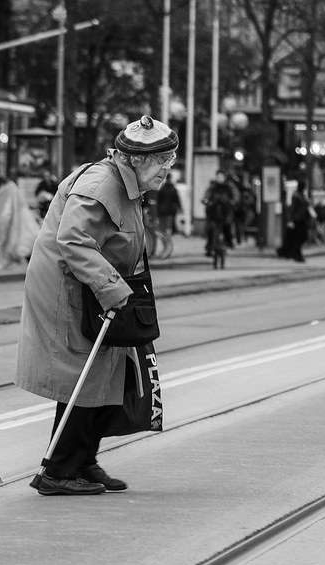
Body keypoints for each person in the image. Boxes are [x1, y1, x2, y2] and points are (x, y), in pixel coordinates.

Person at [16, 114, 178, 496]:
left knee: (108, 374)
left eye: (170, 162)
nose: (167, 171)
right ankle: (59, 470)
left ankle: (83, 461)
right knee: (84, 378)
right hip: (72, 292)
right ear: (137, 160)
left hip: (93, 289)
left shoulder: (125, 183)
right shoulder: (102, 185)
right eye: (162, 163)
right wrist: (112, 287)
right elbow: (73, 239)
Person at [203, 170, 235, 255]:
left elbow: (235, 195)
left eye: (221, 177)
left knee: (227, 226)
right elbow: (207, 194)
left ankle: (228, 242)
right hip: (214, 212)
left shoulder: (229, 186)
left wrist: (233, 201)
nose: (219, 179)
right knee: (211, 229)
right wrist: (206, 200)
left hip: (226, 212)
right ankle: (209, 247)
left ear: (224, 178)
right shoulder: (213, 187)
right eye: (218, 177)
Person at [276, 184, 310, 263]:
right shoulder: (296, 196)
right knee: (297, 238)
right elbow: (292, 208)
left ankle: (293, 253)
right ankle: (296, 254)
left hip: (301, 219)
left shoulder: (301, 195)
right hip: (297, 220)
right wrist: (290, 219)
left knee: (301, 237)